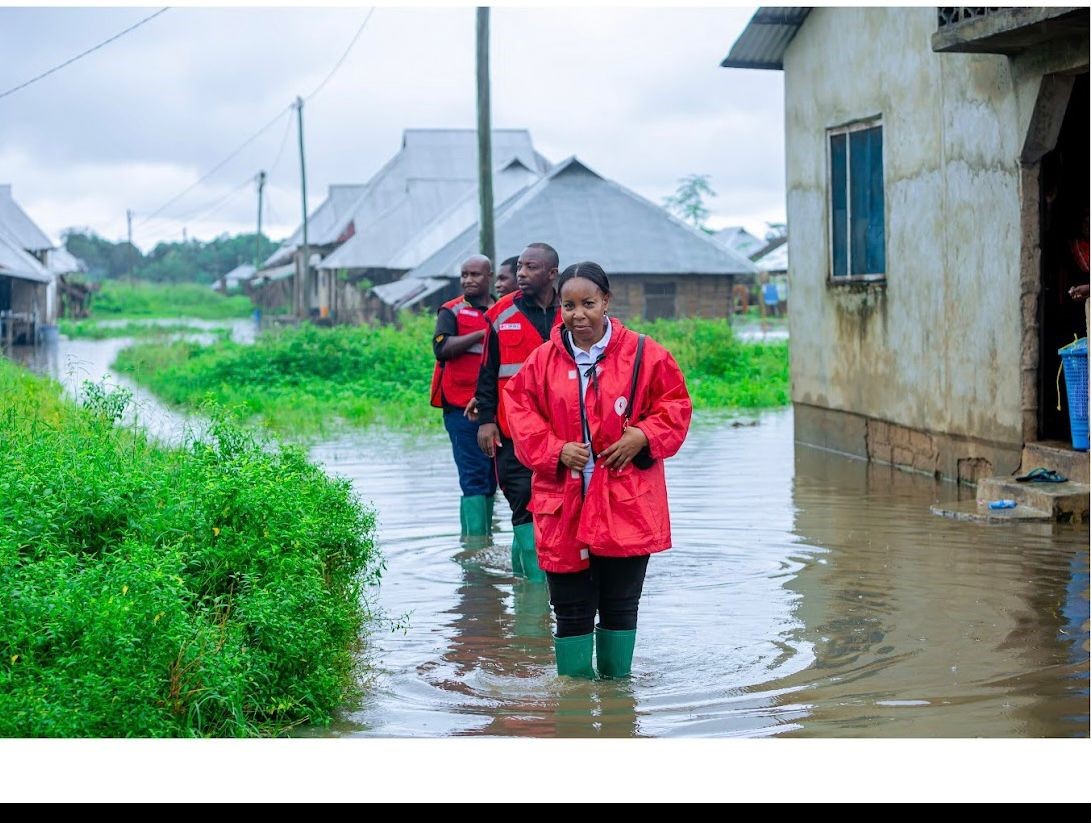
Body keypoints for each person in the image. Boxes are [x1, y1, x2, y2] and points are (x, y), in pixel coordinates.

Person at [504, 262, 692, 679]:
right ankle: (574, 706)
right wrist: (556, 449)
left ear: (606, 302)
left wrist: (642, 435)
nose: (578, 315)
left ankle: (615, 704)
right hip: (561, 506)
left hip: (626, 504)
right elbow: (517, 410)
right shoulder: (542, 361)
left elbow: (676, 406)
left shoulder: (646, 353)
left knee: (620, 607)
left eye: (588, 303)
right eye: (568, 305)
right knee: (569, 610)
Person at [476, 242, 563, 581]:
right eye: (520, 268)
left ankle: (532, 586)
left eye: (531, 267)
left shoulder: (571, 312)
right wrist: (486, 421)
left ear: (552, 274)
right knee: (523, 500)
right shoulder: (501, 314)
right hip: (513, 432)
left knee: (557, 506)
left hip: (561, 432)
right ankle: (532, 601)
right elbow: (486, 372)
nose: (521, 274)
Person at [431, 254, 497, 536]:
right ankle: (474, 547)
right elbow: (441, 348)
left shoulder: (502, 310)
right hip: (459, 408)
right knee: (472, 477)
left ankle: (484, 542)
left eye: (475, 275)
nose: (469, 280)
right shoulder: (452, 311)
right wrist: (482, 334)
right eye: (464, 275)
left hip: (493, 408)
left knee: (492, 477)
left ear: (489, 277)